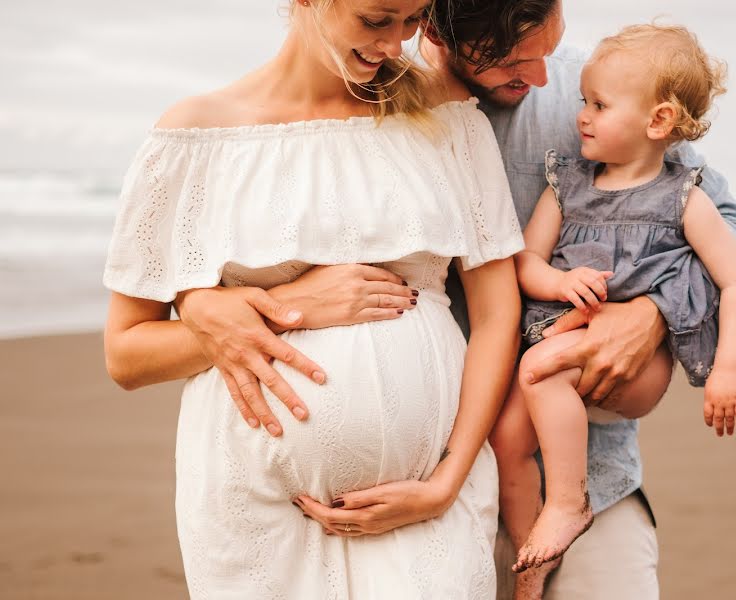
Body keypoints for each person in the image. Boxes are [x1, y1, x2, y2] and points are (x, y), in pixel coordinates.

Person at [103, 0, 525, 597]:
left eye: (411, 22)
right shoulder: (194, 138)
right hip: (252, 500)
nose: (394, 46)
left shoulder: (446, 117)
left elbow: (497, 314)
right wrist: (291, 305)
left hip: (430, 491)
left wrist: (448, 479)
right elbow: (126, 355)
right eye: (376, 20)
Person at [419, 1, 736, 598]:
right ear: (436, 30)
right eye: (515, 59)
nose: (544, 79)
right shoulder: (384, 103)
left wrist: (653, 313)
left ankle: (565, 507)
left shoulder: (614, 86)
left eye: (547, 49)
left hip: (593, 469)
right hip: (432, 478)